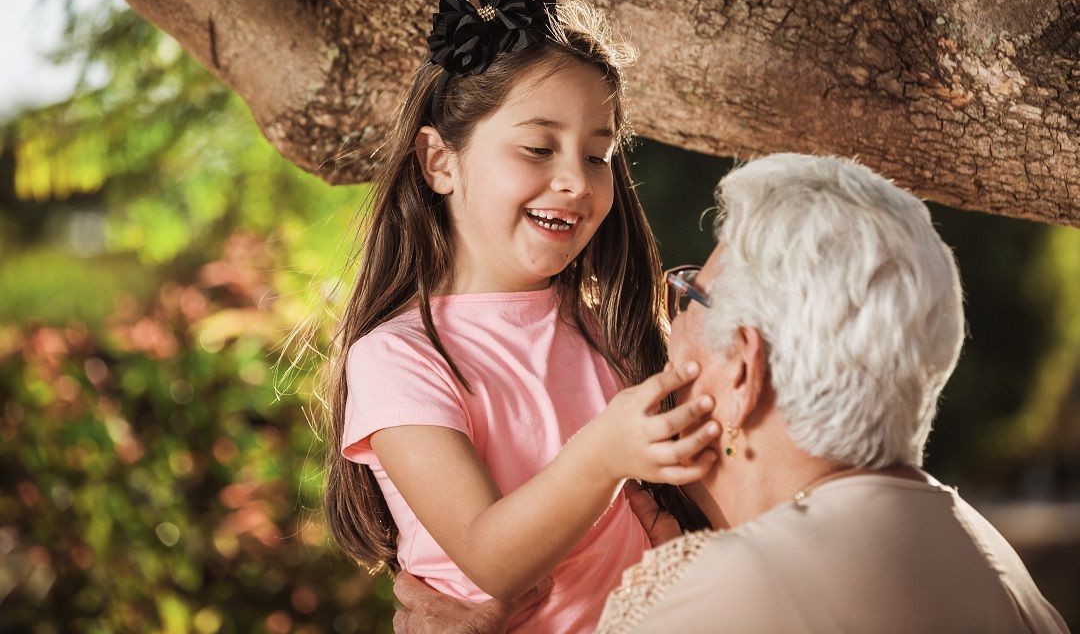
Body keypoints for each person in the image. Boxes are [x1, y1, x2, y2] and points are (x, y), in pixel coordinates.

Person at [393, 153, 1069, 634]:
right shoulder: (994, 564)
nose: (669, 331)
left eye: (688, 298)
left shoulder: (727, 595)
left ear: (742, 373)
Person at [322, 0, 717, 634]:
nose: (574, 180)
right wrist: (606, 454)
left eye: (598, 156)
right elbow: (489, 559)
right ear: (440, 162)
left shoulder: (607, 324)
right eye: (539, 148)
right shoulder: (397, 359)